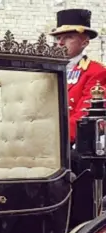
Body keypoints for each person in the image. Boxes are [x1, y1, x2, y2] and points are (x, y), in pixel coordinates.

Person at [49, 8, 106, 146]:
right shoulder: (48, 70)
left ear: (84, 43)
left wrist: (54, 138)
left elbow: (84, 116)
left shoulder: (95, 71)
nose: (60, 43)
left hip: (69, 144)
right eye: (58, 38)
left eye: (69, 37)